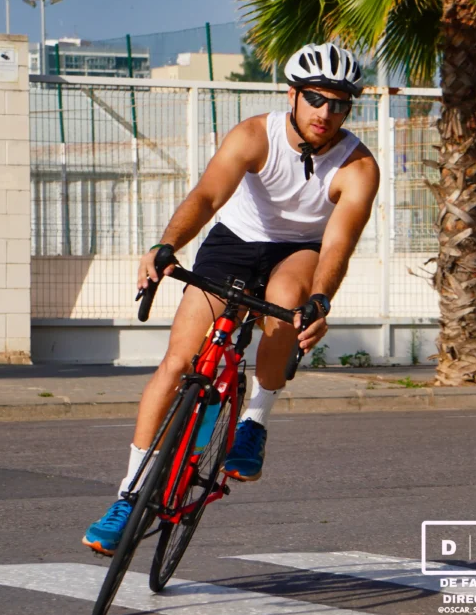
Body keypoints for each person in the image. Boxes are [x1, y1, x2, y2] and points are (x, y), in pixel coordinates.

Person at [82, 42, 380, 555]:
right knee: (177, 363)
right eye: (315, 99)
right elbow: (206, 196)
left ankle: (254, 422)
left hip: (300, 251)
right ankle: (129, 496)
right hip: (234, 243)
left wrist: (321, 300)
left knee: (287, 302)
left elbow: (338, 243)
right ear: (292, 94)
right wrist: (167, 244)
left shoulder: (357, 165)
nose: (326, 113)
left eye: (339, 104)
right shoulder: (253, 135)